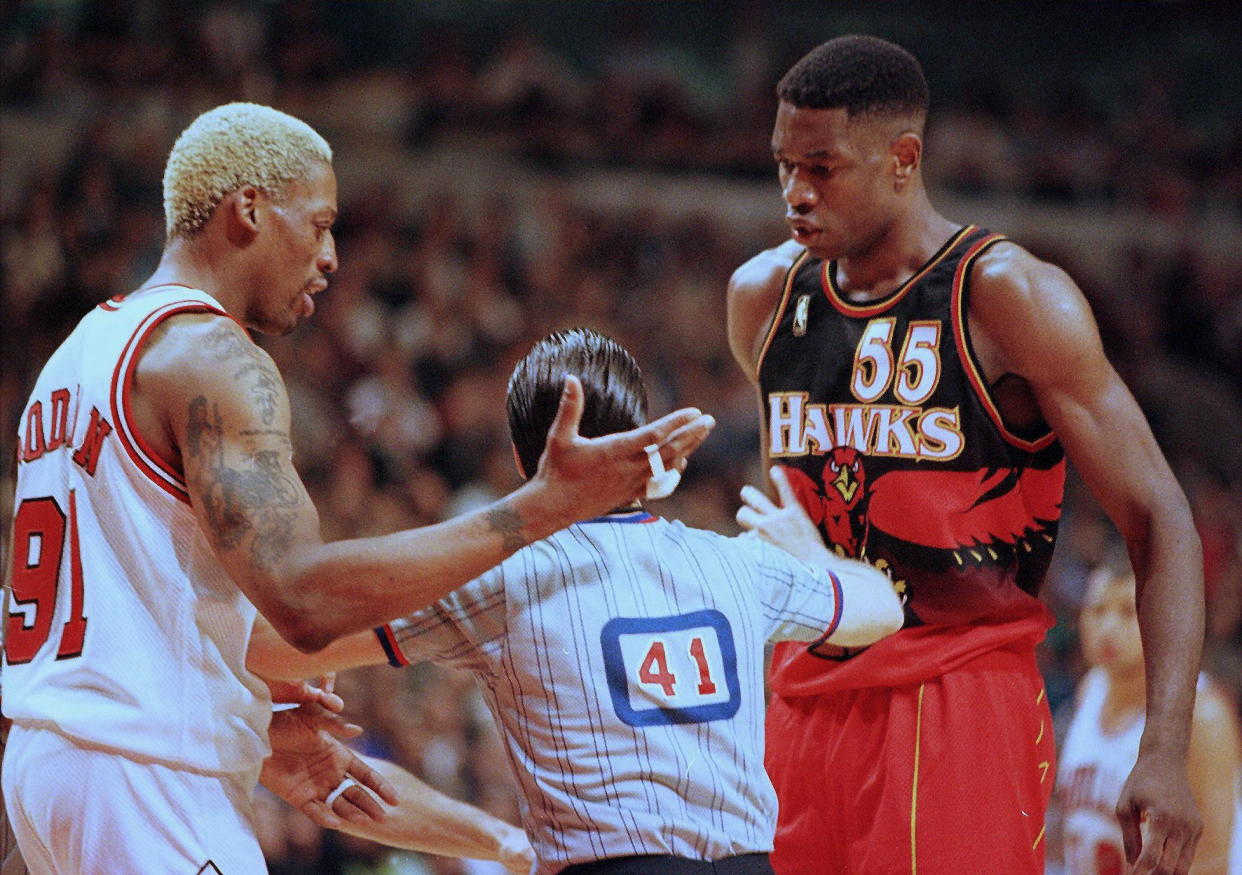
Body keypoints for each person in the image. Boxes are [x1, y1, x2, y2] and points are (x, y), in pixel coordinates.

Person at [1, 102, 712, 873]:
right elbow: (302, 600)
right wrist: (541, 510)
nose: (331, 255)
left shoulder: (78, 355)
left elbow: (164, 607)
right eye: (318, 223)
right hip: (146, 777)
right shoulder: (210, 353)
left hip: (48, 764)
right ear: (249, 210)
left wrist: (259, 696)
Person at [725, 35, 1205, 874]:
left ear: (903, 158)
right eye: (782, 166)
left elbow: (1159, 515)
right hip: (800, 700)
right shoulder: (763, 295)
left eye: (822, 168)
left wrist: (1166, 744)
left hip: (953, 700)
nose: (794, 193)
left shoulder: (1008, 294)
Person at [246, 327, 906, 875]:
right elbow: (883, 608)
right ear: (645, 447)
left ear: (519, 457)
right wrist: (815, 555)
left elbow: (280, 642)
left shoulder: (501, 580)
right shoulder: (737, 561)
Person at [1054, 558, 1241, 875]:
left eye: (1128, 612)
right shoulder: (1090, 691)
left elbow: (1211, 862)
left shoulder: (1204, 716)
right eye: (1097, 611)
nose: (1108, 628)